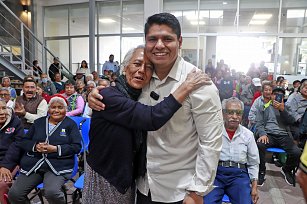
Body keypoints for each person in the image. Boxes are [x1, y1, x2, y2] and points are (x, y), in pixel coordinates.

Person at [88, 13, 223, 204]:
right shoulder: (142, 80)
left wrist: (197, 191)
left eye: (167, 38)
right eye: (153, 39)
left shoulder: (199, 84)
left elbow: (210, 142)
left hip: (178, 190)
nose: (159, 45)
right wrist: (93, 93)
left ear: (180, 41)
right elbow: (138, 112)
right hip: (141, 185)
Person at [8, 96, 82, 204]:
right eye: (53, 107)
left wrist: (55, 149)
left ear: (66, 110)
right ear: (48, 109)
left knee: (52, 192)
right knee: (15, 194)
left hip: (58, 165)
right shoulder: (39, 122)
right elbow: (24, 141)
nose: (56, 110)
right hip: (34, 164)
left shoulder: (70, 125)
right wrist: (36, 146)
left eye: (60, 107)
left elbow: (76, 147)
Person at [204, 97, 259, 204]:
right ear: (223, 113)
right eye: (230, 112)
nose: (234, 117)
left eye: (238, 113)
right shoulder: (214, 131)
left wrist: (254, 187)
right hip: (216, 174)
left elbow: (253, 163)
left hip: (239, 175)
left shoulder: (248, 135)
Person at [255, 86, 301, 186]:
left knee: (296, 152)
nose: (277, 97)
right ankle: (261, 171)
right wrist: (262, 134)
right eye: (275, 94)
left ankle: (287, 169)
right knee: (260, 145)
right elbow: (258, 123)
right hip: (268, 134)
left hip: (284, 135)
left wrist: (282, 110)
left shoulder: (287, 107)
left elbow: (292, 121)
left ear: (283, 97)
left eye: (280, 95)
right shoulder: (264, 106)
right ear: (271, 95)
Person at [0, 99, 23, 204]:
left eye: (4, 108)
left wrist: (5, 166)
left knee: (2, 184)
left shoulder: (16, 122)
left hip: (10, 161)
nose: (2, 112)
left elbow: (17, 147)